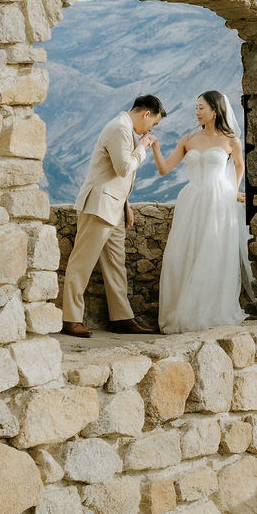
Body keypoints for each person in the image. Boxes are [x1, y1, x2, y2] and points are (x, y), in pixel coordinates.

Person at [59, 94, 163, 337]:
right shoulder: (119, 128)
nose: (151, 129)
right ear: (146, 114)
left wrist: (125, 205)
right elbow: (123, 167)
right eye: (154, 123)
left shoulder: (125, 128)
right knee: (81, 263)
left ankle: (122, 318)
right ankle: (71, 319)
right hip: (99, 205)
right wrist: (142, 148)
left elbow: (116, 176)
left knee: (116, 264)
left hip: (114, 207)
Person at [151, 89, 254, 333]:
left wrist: (231, 191)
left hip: (219, 203)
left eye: (201, 108)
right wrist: (154, 146)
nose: (196, 112)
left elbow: (240, 166)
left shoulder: (231, 141)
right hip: (192, 201)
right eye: (196, 108)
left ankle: (207, 310)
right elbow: (165, 169)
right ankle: (181, 310)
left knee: (213, 255)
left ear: (214, 111)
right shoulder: (189, 139)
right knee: (181, 255)